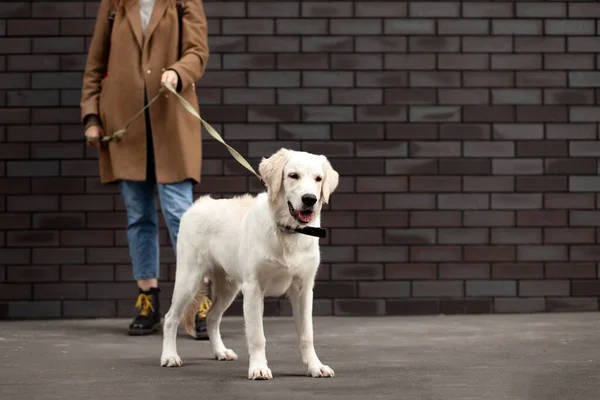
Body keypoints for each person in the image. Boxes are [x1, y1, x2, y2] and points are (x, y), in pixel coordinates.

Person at [80, 0, 212, 337]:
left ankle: (196, 297)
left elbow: (197, 51)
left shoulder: (183, 2)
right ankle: (147, 299)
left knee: (181, 214)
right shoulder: (115, 4)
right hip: (125, 124)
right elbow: (96, 63)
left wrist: (179, 71)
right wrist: (92, 116)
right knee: (138, 216)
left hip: (171, 121)